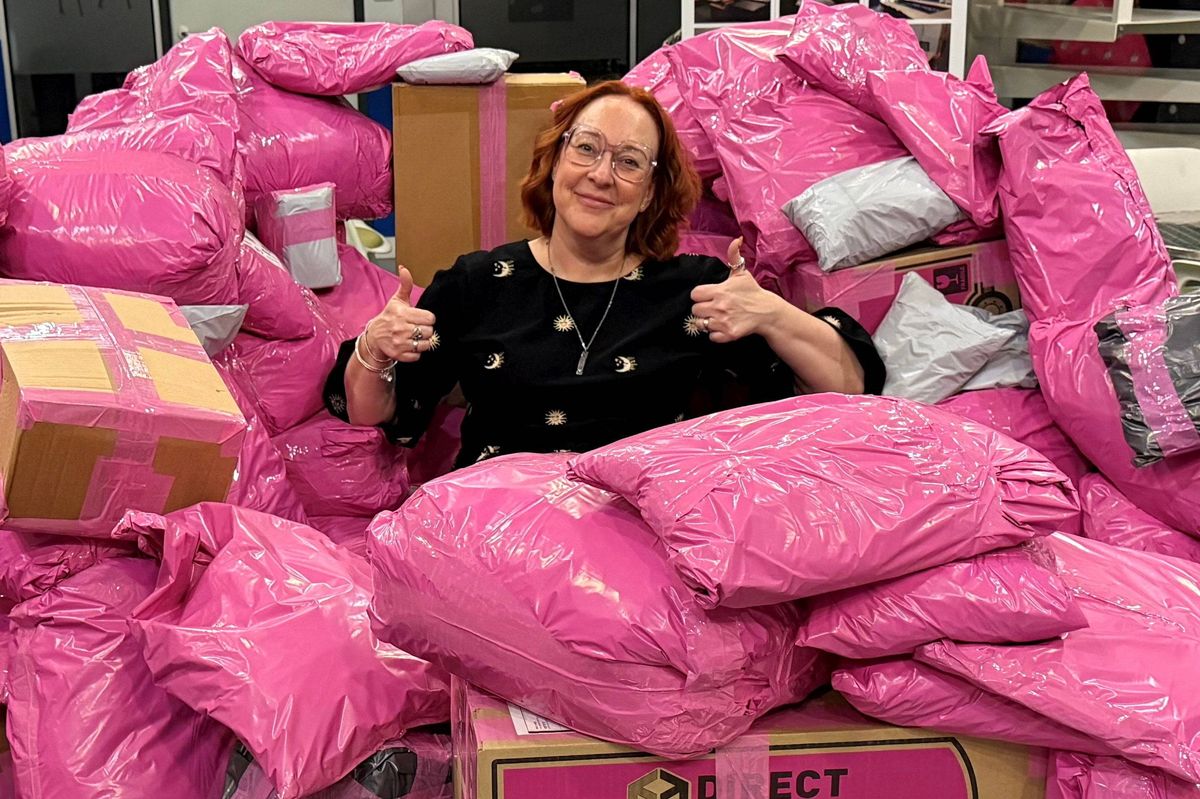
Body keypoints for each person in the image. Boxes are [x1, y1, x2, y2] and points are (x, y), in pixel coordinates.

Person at [324, 80, 885, 469]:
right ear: (554, 165)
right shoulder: (478, 282)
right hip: (497, 523)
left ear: (648, 195)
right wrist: (374, 350)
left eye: (629, 161)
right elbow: (376, 413)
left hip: (635, 535)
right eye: (586, 149)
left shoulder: (694, 290)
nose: (600, 175)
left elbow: (845, 389)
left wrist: (771, 310)